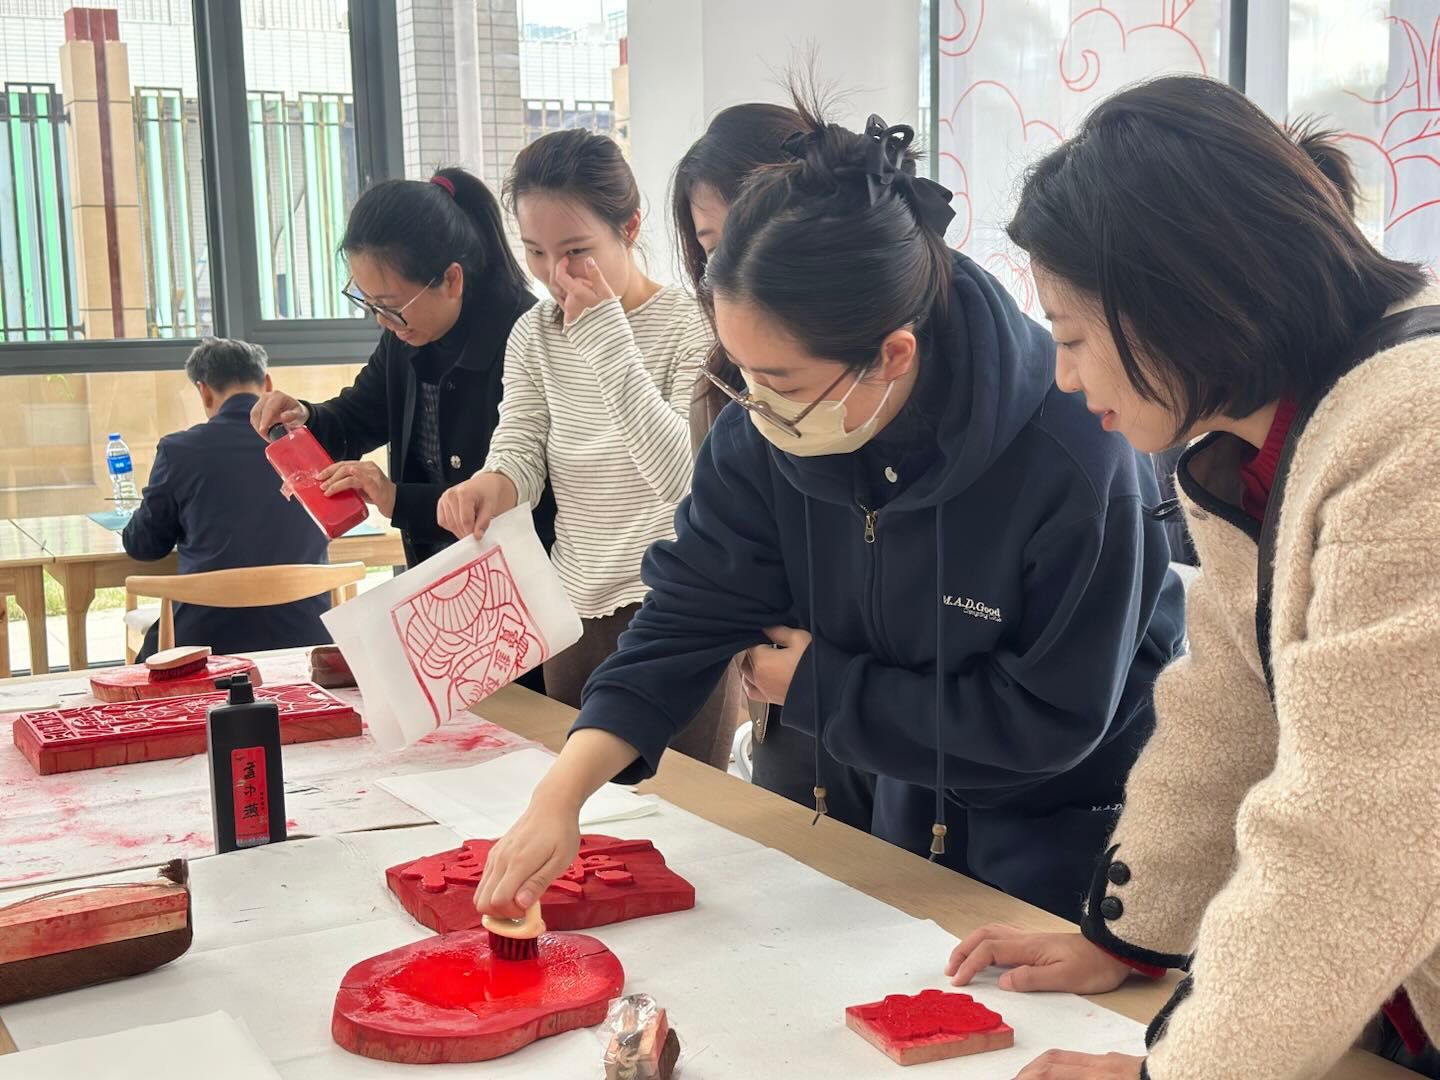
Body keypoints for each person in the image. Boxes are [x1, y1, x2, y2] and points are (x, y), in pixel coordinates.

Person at [467, 99, 1186, 924]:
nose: (754, 407)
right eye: (743, 374)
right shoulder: (767, 424)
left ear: (892, 356)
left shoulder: (1074, 452)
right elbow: (689, 613)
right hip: (907, 798)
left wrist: (823, 687)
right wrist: (563, 791)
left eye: (780, 382)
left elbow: (1050, 720)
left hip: (1072, 835)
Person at [945, 75, 1440, 1080]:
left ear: (1173, 303)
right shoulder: (1253, 446)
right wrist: (1132, 934)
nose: (1065, 377)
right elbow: (1226, 710)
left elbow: (1360, 833)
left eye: (1073, 337)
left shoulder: (1410, 436)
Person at [436, 129, 729, 765]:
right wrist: (491, 484)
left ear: (630, 226)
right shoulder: (533, 333)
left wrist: (603, 335)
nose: (554, 274)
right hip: (570, 608)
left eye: (576, 251)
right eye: (535, 252)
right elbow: (520, 446)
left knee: (692, 810)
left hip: (677, 607)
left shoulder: (694, 323)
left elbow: (684, 478)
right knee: (583, 809)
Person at [249, 167, 553, 570]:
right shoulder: (406, 333)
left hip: (524, 571)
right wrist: (305, 418)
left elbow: (516, 493)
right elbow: (360, 415)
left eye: (390, 305)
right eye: (369, 302)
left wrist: (395, 498)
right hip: (436, 567)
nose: (382, 320)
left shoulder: (525, 336)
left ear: (451, 280)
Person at [669, 102, 808, 775]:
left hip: (868, 716)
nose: (735, 267)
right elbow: (714, 548)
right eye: (712, 245)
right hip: (776, 698)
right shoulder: (722, 386)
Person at [123, 338, 331, 660]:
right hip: (307, 635)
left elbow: (144, 546)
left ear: (204, 392)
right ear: (267, 385)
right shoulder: (310, 445)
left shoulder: (180, 451)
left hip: (203, 643)